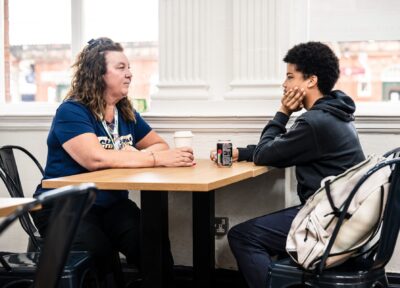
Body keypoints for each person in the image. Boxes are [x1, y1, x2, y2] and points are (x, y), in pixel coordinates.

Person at [31, 37, 195, 284]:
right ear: (98, 73)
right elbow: (95, 159)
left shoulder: (125, 111)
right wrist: (150, 159)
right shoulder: (72, 111)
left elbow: (159, 145)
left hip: (110, 205)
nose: (129, 74)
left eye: (129, 68)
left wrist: (138, 155)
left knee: (151, 238)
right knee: (101, 253)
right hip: (64, 206)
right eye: (121, 68)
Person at [217, 42, 365, 288]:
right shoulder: (336, 114)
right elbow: (283, 149)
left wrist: (283, 111)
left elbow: (267, 153)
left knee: (243, 237)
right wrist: (241, 153)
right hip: (343, 216)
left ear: (311, 81)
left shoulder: (314, 122)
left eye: (289, 76)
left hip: (327, 222)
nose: (284, 85)